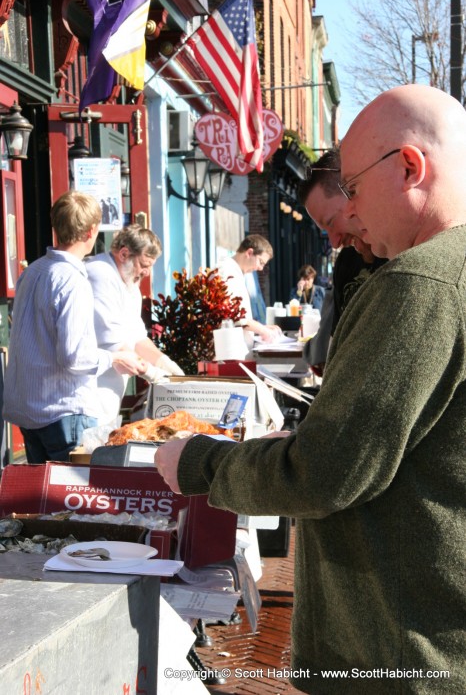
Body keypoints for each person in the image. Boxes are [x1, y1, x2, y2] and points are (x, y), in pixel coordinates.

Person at [156, 85, 466, 694]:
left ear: (409, 167)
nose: (349, 212)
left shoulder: (422, 281)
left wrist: (199, 463)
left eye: (352, 187)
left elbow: (326, 471)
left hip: (401, 651)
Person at [2, 191, 144, 464]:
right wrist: (114, 358)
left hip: (31, 409)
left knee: (43, 503)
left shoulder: (32, 271)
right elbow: (74, 357)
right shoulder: (72, 279)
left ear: (56, 227)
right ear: (91, 231)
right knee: (71, 502)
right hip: (63, 410)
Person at [298, 149, 387, 375]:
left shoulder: (406, 254)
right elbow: (336, 347)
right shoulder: (348, 261)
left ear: (355, 196)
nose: (335, 242)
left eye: (331, 222)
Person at [85, 224, 184, 425]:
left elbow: (137, 337)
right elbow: (113, 343)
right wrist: (152, 373)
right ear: (124, 254)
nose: (147, 273)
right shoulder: (100, 274)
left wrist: (164, 363)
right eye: (143, 264)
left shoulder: (130, 286)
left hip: (108, 398)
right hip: (88, 395)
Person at [217, 234, 281, 343]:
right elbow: (237, 317)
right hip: (229, 350)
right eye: (261, 262)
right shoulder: (227, 272)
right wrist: (263, 330)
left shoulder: (235, 272)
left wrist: (262, 328)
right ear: (249, 253)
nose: (260, 268)